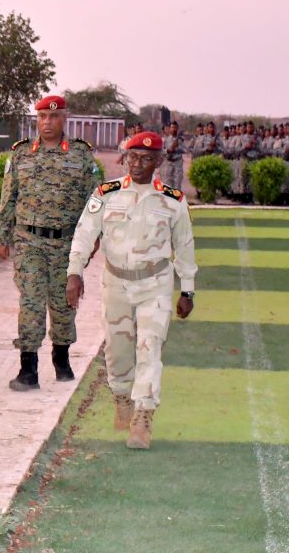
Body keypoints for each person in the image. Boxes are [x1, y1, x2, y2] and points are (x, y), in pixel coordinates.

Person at [66, 132, 196, 449]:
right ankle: (122, 395)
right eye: (133, 157)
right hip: (115, 283)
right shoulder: (106, 193)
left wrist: (187, 290)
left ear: (159, 161)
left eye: (146, 159)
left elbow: (185, 245)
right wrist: (74, 272)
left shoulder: (173, 200)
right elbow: (85, 233)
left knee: (150, 348)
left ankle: (143, 415)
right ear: (125, 158)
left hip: (155, 283)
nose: (138, 164)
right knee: (117, 349)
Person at [0, 95, 98, 391]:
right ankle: (29, 369)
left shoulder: (81, 155)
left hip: (66, 243)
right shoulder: (21, 154)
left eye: (53, 117)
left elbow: (94, 202)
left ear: (65, 118)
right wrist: (1, 235)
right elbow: (8, 199)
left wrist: (94, 237)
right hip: (29, 242)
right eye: (41, 118)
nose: (47, 123)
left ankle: (61, 358)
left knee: (64, 304)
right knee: (31, 303)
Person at [161, 121, 184, 189]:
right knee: (168, 183)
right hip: (168, 163)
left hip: (178, 162)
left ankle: (176, 199)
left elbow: (185, 150)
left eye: (175, 127)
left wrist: (177, 148)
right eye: (172, 127)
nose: (174, 129)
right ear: (170, 128)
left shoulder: (181, 140)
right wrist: (168, 150)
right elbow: (161, 151)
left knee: (177, 183)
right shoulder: (166, 139)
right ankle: (169, 199)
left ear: (177, 128)